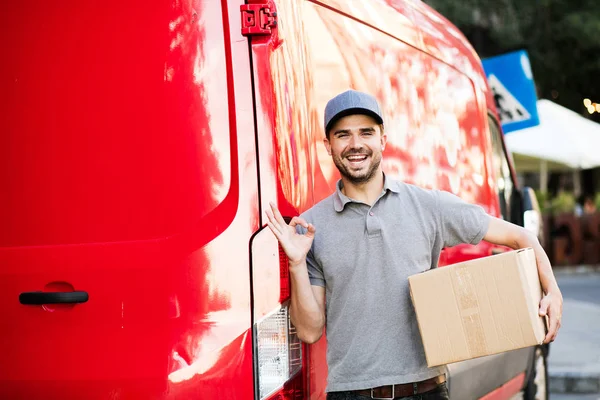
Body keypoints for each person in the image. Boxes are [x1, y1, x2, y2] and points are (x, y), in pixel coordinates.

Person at [265, 90, 563, 400]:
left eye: (366, 132)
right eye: (343, 135)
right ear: (328, 146)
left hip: (427, 390)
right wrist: (297, 263)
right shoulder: (312, 227)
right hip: (349, 393)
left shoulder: (428, 206)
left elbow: (522, 237)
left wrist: (552, 291)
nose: (355, 144)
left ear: (383, 139)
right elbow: (310, 331)